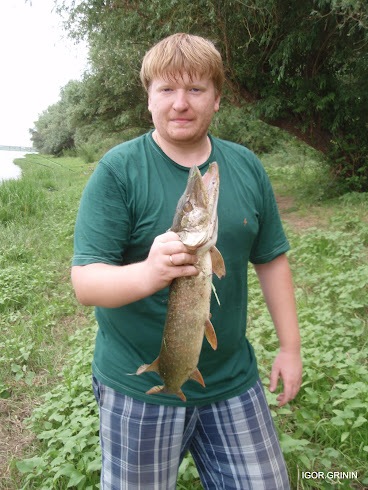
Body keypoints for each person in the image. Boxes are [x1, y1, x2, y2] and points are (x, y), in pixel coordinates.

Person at [71, 33, 302, 490]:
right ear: (149, 98)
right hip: (139, 389)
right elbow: (86, 283)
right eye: (167, 90)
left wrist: (290, 347)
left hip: (233, 379)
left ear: (217, 99)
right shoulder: (119, 171)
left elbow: (271, 259)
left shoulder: (246, 166)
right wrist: (151, 272)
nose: (181, 103)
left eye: (196, 89)